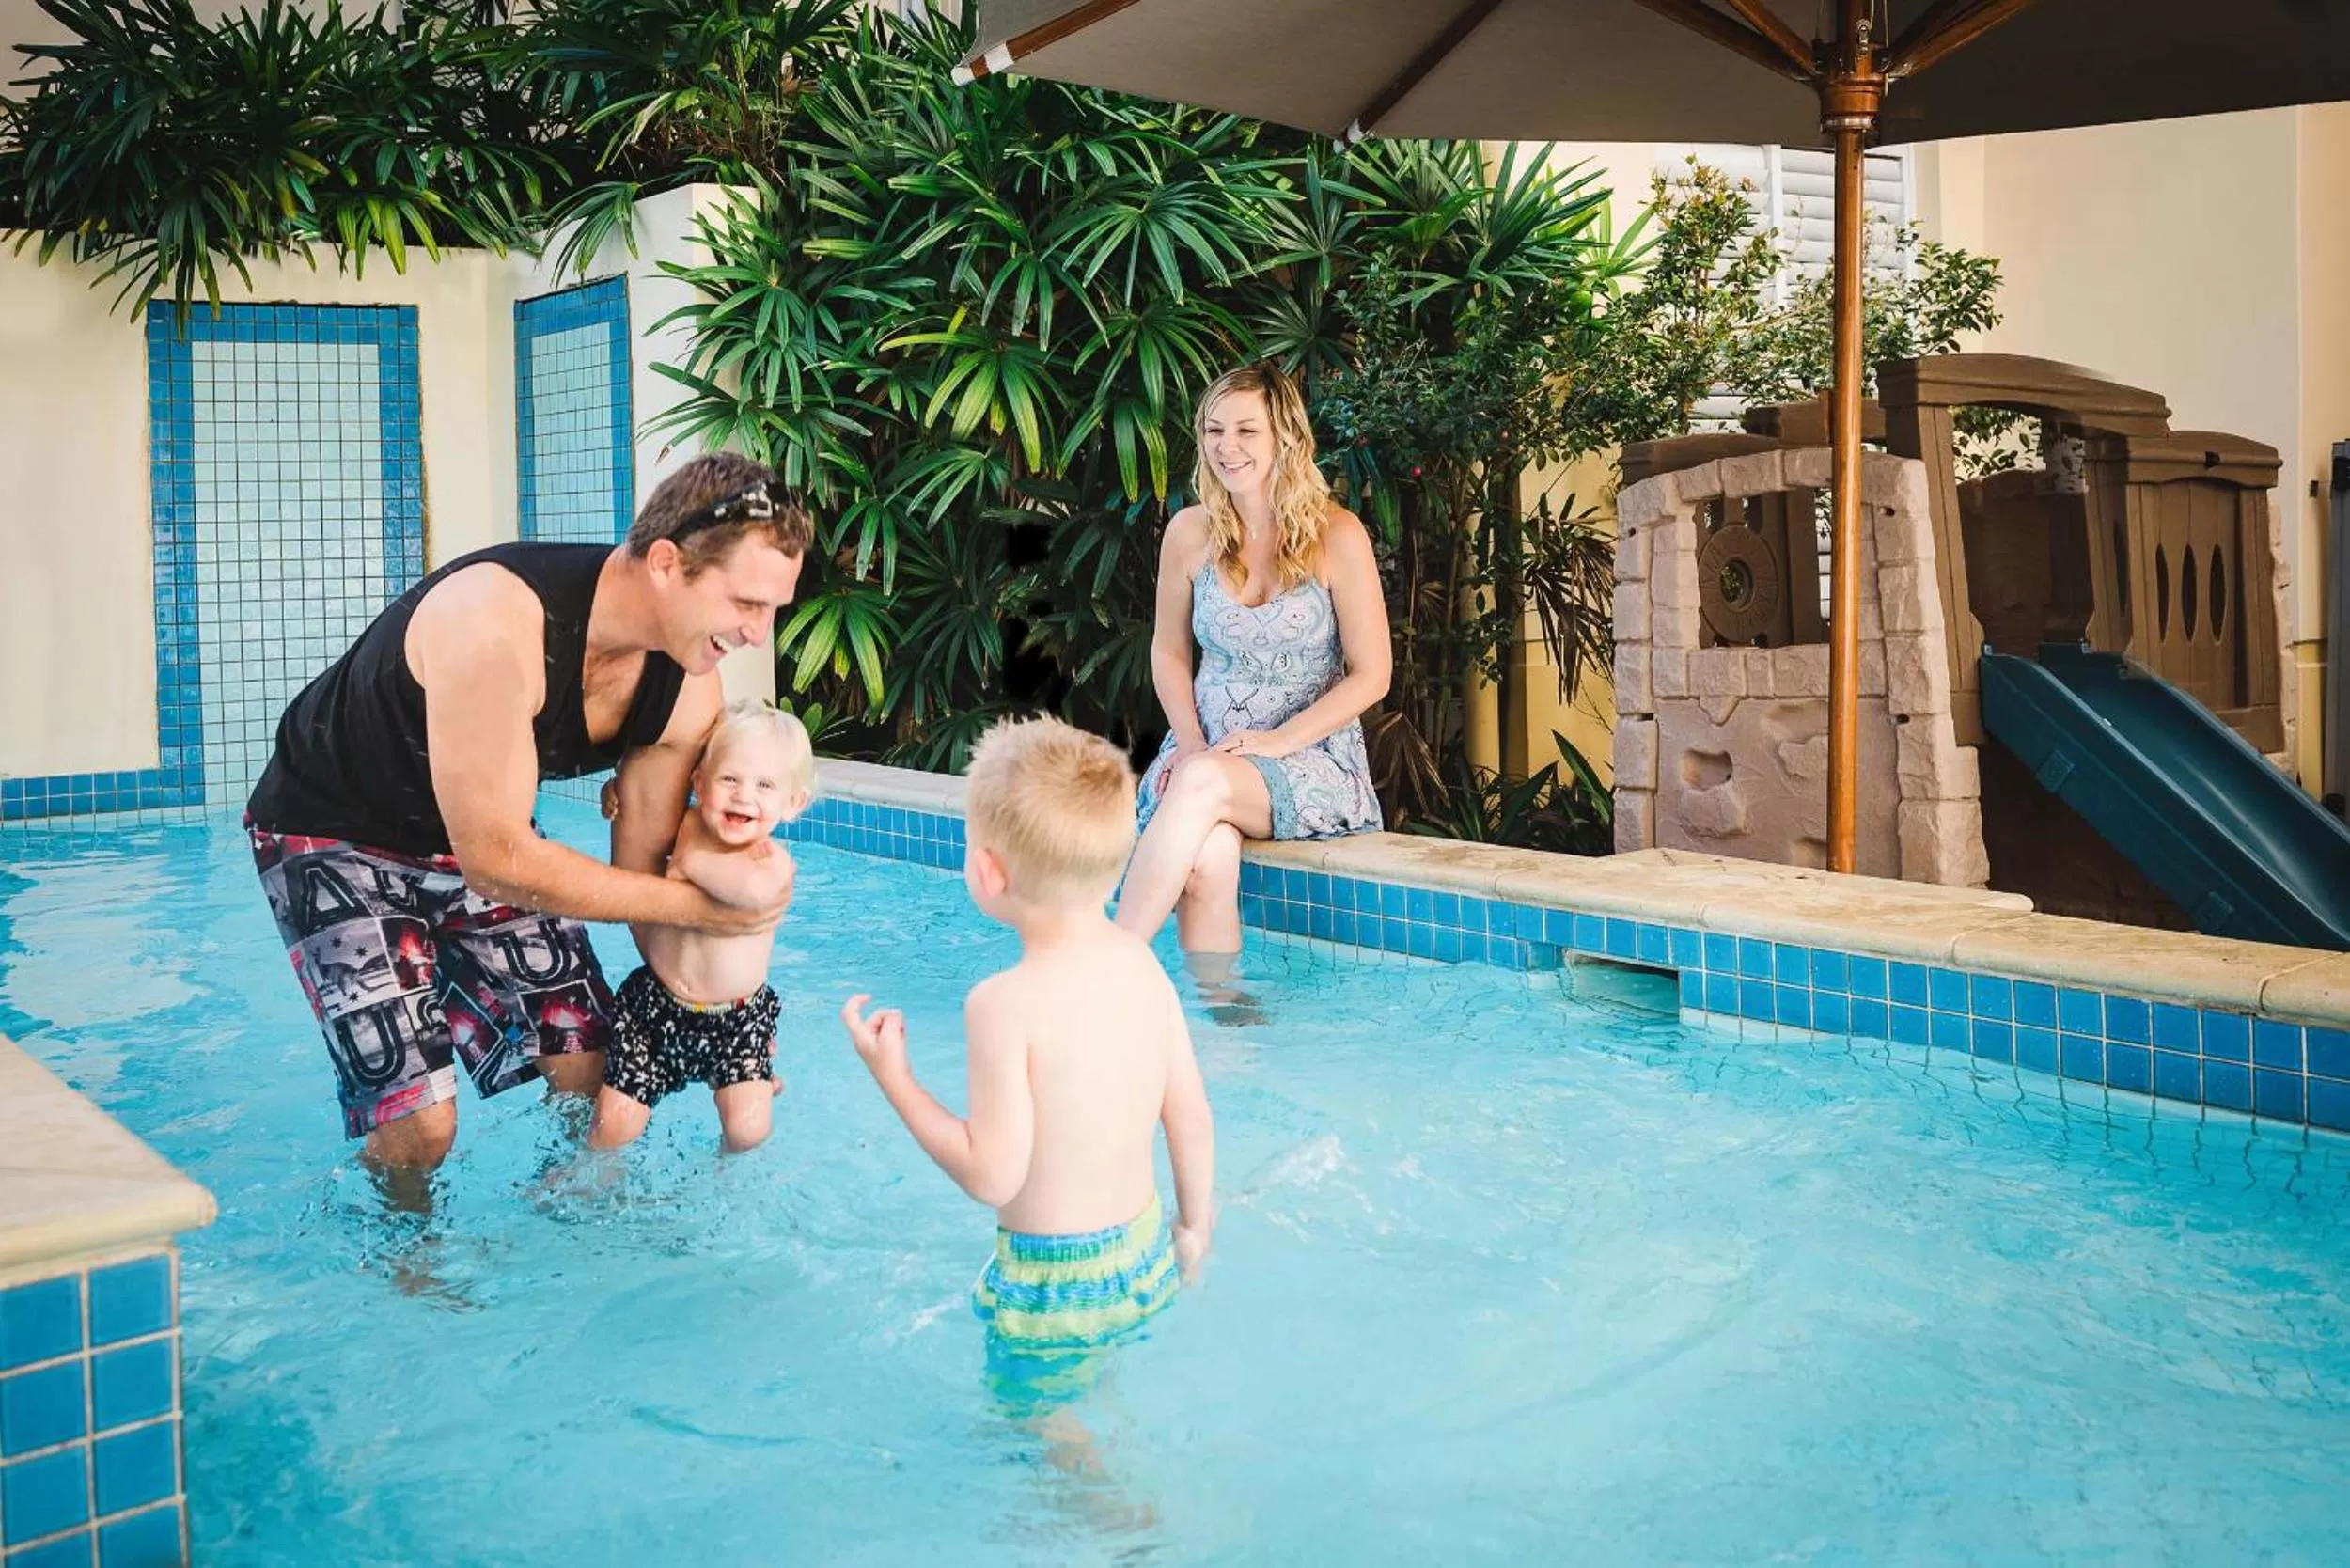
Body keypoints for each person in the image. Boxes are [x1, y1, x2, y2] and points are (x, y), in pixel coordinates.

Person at [245, 453, 811, 1176]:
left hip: (478, 831)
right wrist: (706, 911)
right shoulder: (494, 621)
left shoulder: (686, 689)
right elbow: (499, 860)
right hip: (333, 833)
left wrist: (726, 1016)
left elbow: (637, 882)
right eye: (746, 605)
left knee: (590, 1063)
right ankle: (405, 1262)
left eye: (773, 610)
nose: (760, 635)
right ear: (668, 563)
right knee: (423, 1129)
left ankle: (568, 1218)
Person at [841, 715, 1215, 1408]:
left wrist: (894, 1078)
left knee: (1051, 1454)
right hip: (1140, 1255)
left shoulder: (1002, 1004)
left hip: (1053, 1284)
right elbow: (1189, 1113)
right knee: (1101, 1404)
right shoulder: (1142, 964)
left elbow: (992, 1174)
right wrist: (1193, 1229)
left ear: (987, 871)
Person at [1117, 364, 1390, 969]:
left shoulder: (1337, 535)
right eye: (1214, 430)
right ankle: (1227, 1027)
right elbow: (1168, 651)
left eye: (1247, 430)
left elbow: (1373, 674)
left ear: (1284, 437)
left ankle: (1112, 967)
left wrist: (1275, 741)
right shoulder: (1189, 532)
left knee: (1203, 785)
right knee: (1209, 858)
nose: (1227, 446)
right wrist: (1189, 743)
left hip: (1308, 758)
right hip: (1204, 751)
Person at [588, 702, 814, 1153]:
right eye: (729, 779)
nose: (743, 795)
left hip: (737, 1019)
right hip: (656, 1007)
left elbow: (749, 893)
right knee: (614, 1128)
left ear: (793, 804)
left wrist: (690, 861)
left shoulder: (771, 865)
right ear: (699, 783)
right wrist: (619, 794)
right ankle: (593, 1182)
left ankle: (724, 1171)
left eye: (765, 785)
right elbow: (643, 813)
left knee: (748, 1131)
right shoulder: (688, 823)